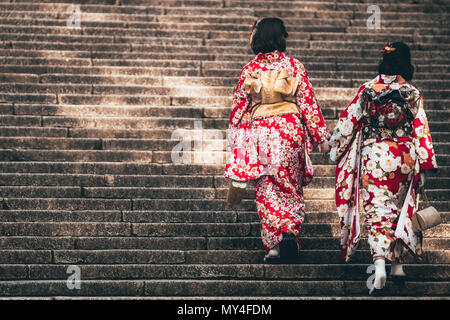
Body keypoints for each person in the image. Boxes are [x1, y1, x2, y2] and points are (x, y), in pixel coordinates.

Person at [329, 42, 438, 294]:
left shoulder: (367, 89)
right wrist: (426, 161)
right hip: (404, 154)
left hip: (374, 153)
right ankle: (398, 267)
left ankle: (379, 265)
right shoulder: (411, 92)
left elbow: (349, 122)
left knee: (378, 209)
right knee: (401, 208)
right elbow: (421, 128)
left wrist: (334, 147)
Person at [224, 18, 329, 262]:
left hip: (262, 131)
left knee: (266, 188)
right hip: (289, 131)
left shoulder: (249, 70)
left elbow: (239, 109)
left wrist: (236, 146)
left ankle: (273, 245)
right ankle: (289, 228)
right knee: (290, 187)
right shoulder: (294, 66)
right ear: (281, 37)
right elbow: (307, 103)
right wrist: (320, 135)